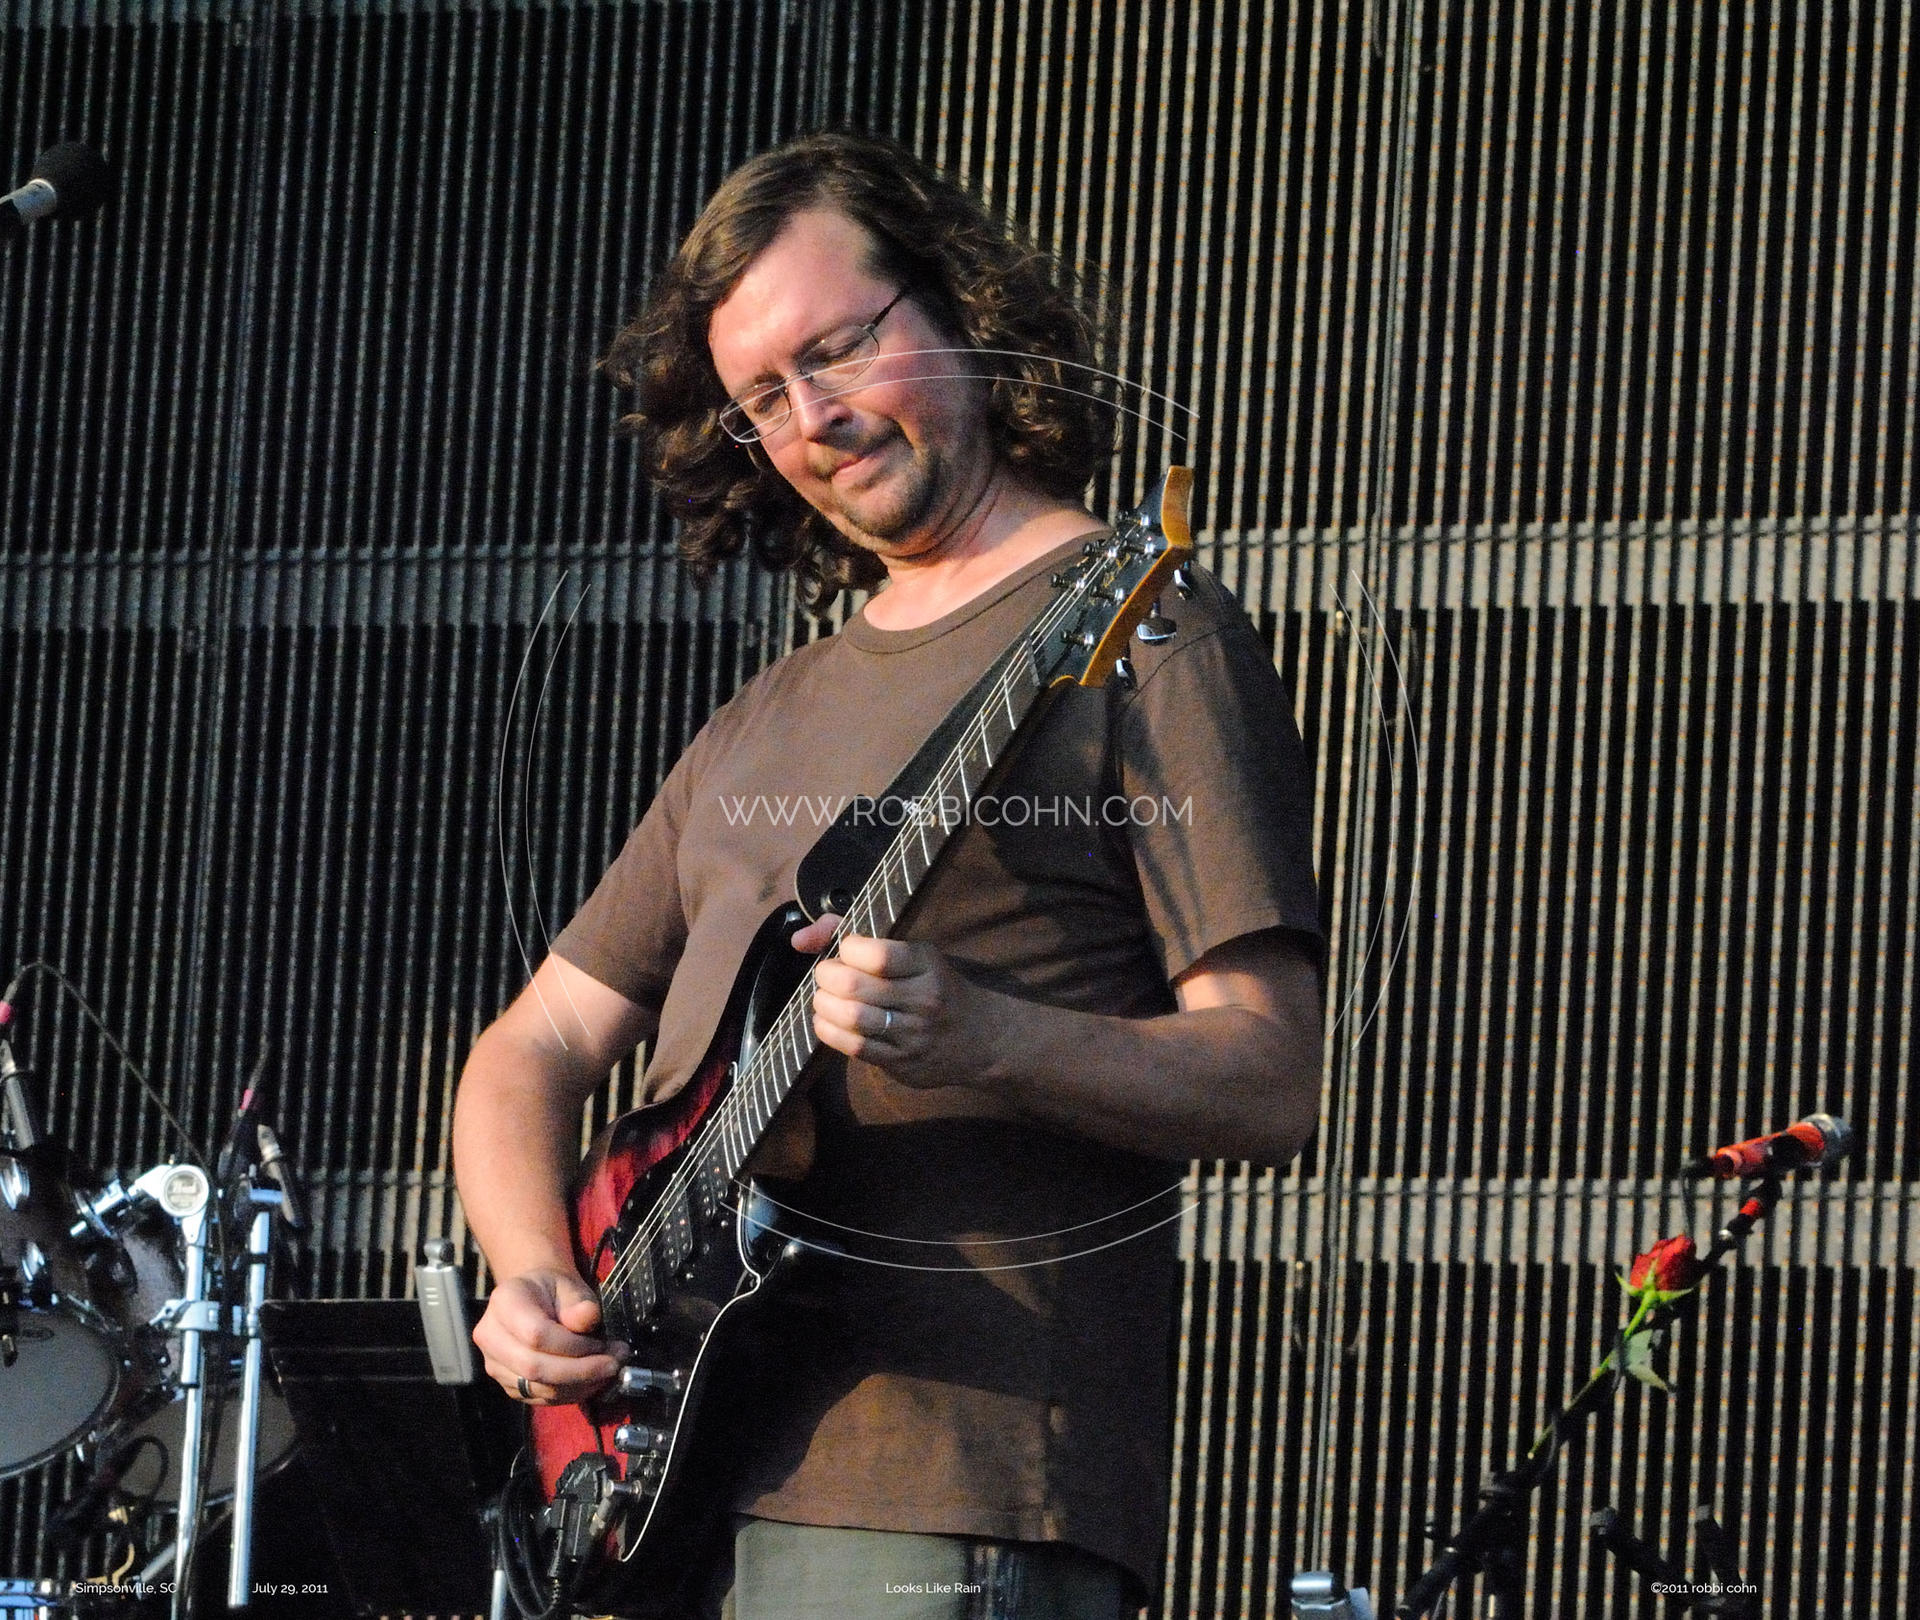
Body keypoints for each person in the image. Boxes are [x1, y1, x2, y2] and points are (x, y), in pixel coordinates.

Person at [452, 129, 1325, 1620]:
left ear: (961, 304)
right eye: (762, 399)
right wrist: (533, 1271)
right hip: (660, 1495)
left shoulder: (1149, 629)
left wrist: (989, 1033)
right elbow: (527, 1051)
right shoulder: (762, 715)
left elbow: (1273, 1076)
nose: (815, 419)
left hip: (936, 1496)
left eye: (839, 349)